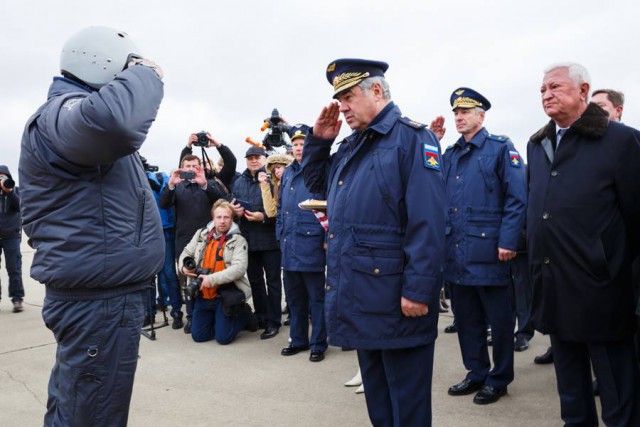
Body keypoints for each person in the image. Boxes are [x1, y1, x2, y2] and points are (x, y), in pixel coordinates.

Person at [18, 26, 164, 426]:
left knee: (78, 407)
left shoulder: (69, 120)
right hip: (99, 302)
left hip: (100, 297)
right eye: (125, 69)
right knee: (92, 415)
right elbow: (115, 123)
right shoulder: (64, 113)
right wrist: (145, 74)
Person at [303, 58, 445, 426]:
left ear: (377, 91)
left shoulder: (413, 139)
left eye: (348, 96)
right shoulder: (352, 146)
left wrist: (418, 290)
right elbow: (318, 186)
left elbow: (427, 222)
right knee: (380, 405)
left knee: (407, 408)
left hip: (398, 297)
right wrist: (319, 143)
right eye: (339, 98)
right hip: (362, 293)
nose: (342, 107)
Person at [527, 62, 640, 426]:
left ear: (583, 90)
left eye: (555, 87)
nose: (547, 94)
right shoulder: (538, 144)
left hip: (602, 290)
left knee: (617, 392)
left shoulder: (620, 140)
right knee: (571, 392)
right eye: (543, 89)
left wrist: (612, 266)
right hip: (554, 284)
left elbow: (635, 216)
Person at [441, 88, 526, 405]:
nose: (459, 117)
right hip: (457, 252)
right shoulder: (449, 155)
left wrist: (507, 241)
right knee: (467, 319)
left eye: (466, 111)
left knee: (500, 321)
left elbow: (517, 200)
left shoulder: (501, 149)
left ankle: (500, 378)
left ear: (481, 115)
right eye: (456, 112)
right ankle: (476, 372)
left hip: (490, 252)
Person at [160, 148, 230, 333]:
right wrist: (172, 184)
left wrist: (205, 184)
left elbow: (223, 203)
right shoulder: (177, 186)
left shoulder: (208, 184)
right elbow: (163, 204)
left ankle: (217, 314)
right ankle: (191, 317)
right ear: (181, 168)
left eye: (194, 166)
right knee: (188, 281)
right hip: (184, 241)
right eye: (187, 166)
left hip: (208, 240)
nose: (191, 169)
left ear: (200, 168)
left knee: (211, 278)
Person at [276, 124, 328, 362]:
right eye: (295, 144)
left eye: (303, 144)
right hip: (289, 245)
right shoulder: (287, 173)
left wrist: (328, 237)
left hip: (311, 245)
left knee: (316, 299)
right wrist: (280, 234)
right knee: (295, 299)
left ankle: (319, 343)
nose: (298, 148)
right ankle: (298, 340)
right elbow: (280, 208)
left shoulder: (320, 169)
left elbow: (329, 207)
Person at [179, 200, 258, 344]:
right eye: (218, 217)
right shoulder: (201, 234)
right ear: (213, 218)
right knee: (199, 336)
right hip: (203, 294)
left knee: (223, 339)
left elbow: (239, 268)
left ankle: (244, 315)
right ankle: (219, 320)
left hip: (224, 295)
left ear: (232, 219)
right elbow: (186, 252)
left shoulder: (238, 240)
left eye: (226, 217)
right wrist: (183, 267)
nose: (222, 221)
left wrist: (211, 279)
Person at [232, 146, 283, 340]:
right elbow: (234, 204)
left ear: (264, 159)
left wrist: (263, 216)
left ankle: (274, 320)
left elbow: (279, 208)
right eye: (250, 158)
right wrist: (236, 212)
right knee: (255, 282)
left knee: (273, 282)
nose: (253, 161)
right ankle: (261, 316)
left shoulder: (272, 180)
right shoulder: (239, 182)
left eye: (257, 157)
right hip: (248, 238)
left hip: (270, 239)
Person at [143, 157, 183, 329]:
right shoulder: (132, 180)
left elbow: (167, 198)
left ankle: (176, 312)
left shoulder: (160, 177)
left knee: (168, 273)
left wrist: (152, 183)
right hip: (145, 233)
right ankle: (149, 313)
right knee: (147, 276)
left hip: (165, 230)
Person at [0, 166, 24, 312]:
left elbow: (21, 207)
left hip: (12, 236)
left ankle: (17, 299)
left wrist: (8, 192)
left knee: (14, 268)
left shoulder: (16, 190)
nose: (1, 179)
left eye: (3, 177)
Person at [258, 152, 293, 218]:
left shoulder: (300, 181)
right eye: (274, 170)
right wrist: (264, 185)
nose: (276, 172)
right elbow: (271, 212)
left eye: (278, 167)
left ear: (287, 166)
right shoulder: (278, 187)